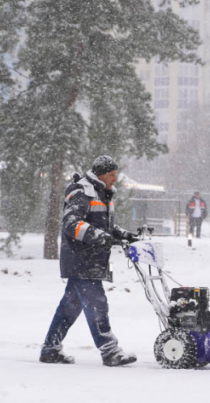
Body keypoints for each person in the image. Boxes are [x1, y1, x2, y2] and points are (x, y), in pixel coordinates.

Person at [40, 155, 140, 366]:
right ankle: (110, 351)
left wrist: (124, 235)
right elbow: (71, 223)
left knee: (69, 307)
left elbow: (104, 227)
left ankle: (50, 349)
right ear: (101, 174)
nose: (115, 178)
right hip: (81, 259)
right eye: (112, 174)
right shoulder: (82, 192)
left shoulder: (101, 193)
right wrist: (99, 237)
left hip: (91, 260)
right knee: (97, 304)